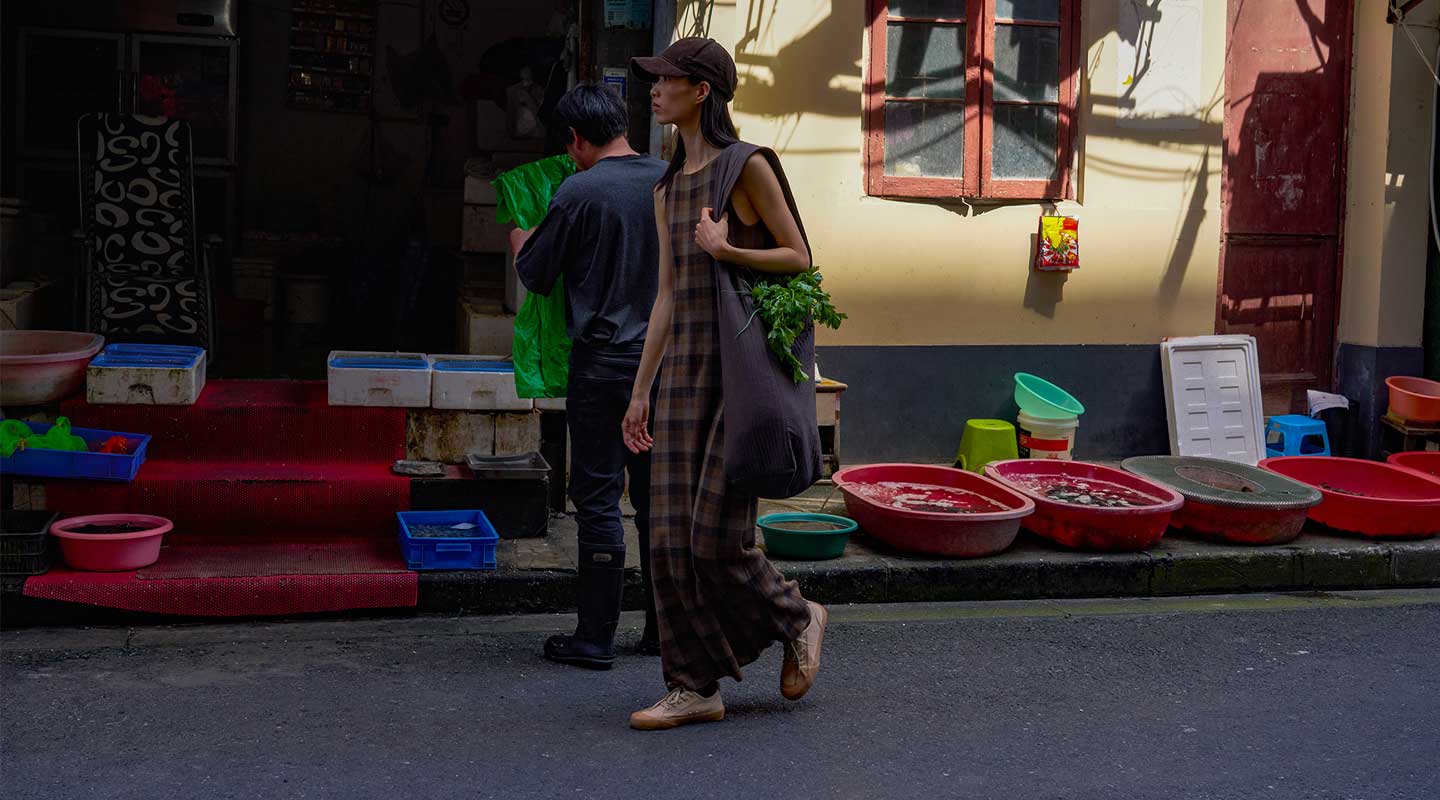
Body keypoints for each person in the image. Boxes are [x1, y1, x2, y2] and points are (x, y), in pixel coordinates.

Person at [622, 38, 827, 731]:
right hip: (680, 375)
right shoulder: (666, 186)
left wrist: (727, 248)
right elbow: (668, 297)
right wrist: (640, 389)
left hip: (735, 374)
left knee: (715, 539)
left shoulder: (747, 166)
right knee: (666, 542)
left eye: (666, 80)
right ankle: (693, 685)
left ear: (701, 89)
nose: (654, 91)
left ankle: (797, 615)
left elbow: (798, 256)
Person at [511, 84, 668, 669]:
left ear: (575, 139)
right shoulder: (667, 180)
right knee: (656, 498)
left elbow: (537, 273)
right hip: (660, 367)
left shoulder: (579, 191)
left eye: (569, 144)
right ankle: (660, 631)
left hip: (602, 367)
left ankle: (595, 637)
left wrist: (520, 238)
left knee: (599, 496)